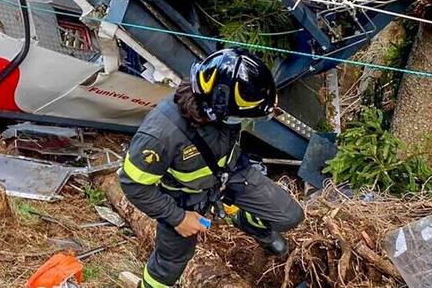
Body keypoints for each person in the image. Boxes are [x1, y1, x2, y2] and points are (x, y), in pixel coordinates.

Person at [119, 48, 304, 288]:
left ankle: (247, 221)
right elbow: (133, 185)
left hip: (230, 173)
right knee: (170, 264)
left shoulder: (221, 97)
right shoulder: (160, 135)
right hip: (183, 197)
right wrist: (178, 218)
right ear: (215, 110)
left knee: (289, 215)